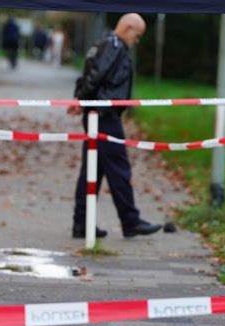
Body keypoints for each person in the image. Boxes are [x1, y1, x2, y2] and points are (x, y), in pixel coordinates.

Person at [68, 13, 162, 239]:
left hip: (96, 114)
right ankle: (130, 221)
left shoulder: (101, 43)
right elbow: (97, 76)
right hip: (105, 116)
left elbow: (88, 74)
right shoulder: (114, 46)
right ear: (128, 27)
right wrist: (82, 99)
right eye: (137, 35)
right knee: (119, 169)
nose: (136, 41)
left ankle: (81, 223)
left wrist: (81, 100)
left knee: (92, 170)